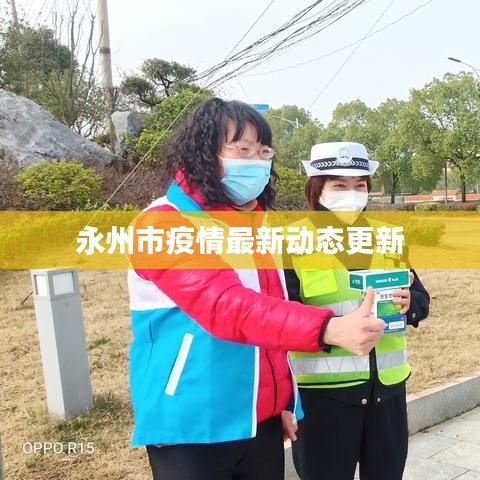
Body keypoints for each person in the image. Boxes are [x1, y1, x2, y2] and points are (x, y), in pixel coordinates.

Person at [127, 100, 386, 480]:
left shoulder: (254, 226)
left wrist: (280, 399)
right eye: (243, 149)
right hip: (191, 424)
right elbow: (229, 307)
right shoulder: (163, 223)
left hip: (259, 419)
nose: (257, 162)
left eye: (264, 152)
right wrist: (328, 328)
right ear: (204, 153)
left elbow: (271, 316)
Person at [286, 141, 431, 480]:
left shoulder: (388, 236)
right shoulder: (290, 241)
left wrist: (410, 305)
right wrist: (333, 329)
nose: (351, 194)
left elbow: (421, 298)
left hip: (387, 392)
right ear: (317, 188)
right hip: (324, 399)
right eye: (339, 185)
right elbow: (282, 317)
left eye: (360, 185)